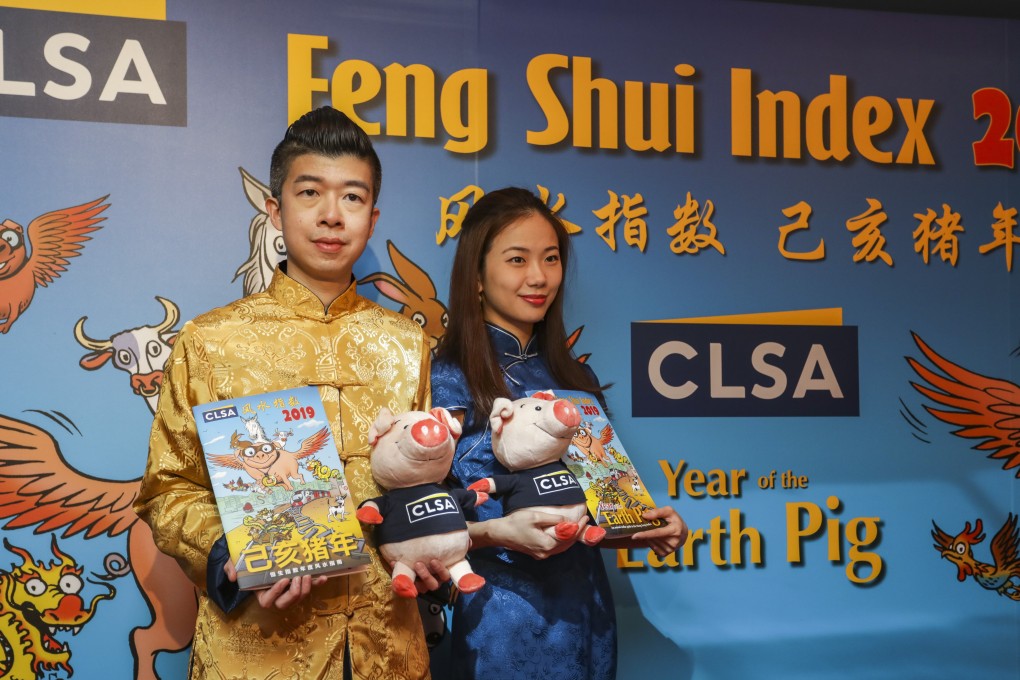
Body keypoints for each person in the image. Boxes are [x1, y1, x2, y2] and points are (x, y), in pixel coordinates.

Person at [135, 107, 433, 680]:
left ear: (371, 218)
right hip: (257, 648)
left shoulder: (406, 344)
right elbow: (166, 491)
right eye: (309, 193)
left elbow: (419, 481)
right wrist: (231, 555)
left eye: (351, 198)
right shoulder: (209, 340)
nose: (330, 215)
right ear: (275, 210)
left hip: (389, 647)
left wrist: (426, 538)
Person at [430, 187, 688, 679]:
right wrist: (493, 533)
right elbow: (427, 521)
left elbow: (591, 514)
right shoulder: (449, 378)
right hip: (502, 620)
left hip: (589, 615)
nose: (539, 277)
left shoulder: (576, 380)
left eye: (550, 258)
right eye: (517, 259)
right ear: (477, 277)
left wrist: (639, 529)